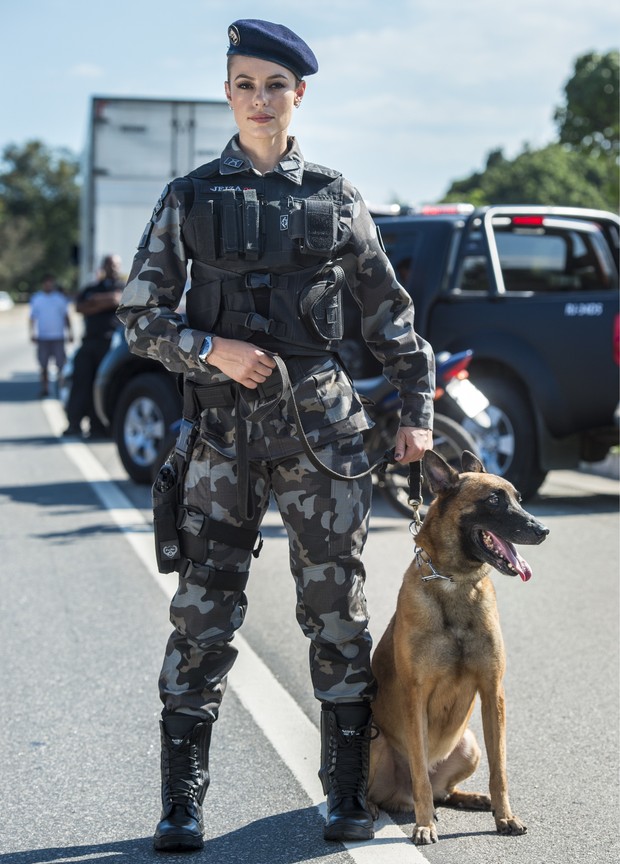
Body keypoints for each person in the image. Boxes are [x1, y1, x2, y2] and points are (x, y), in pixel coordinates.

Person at [117, 18, 435, 852]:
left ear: (300, 95)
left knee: (338, 611)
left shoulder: (334, 195)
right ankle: (182, 801)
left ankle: (345, 792)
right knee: (201, 613)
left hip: (323, 437)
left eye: (276, 85)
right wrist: (207, 348)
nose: (261, 100)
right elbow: (138, 321)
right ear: (228, 92)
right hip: (221, 439)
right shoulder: (188, 197)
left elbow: (390, 315)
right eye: (245, 84)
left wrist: (416, 410)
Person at [63, 254, 124, 437]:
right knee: (80, 383)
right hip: (89, 342)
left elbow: (118, 300)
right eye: (108, 265)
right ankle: (74, 423)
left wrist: (95, 301)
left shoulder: (124, 287)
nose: (111, 268)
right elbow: (80, 307)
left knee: (104, 386)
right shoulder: (91, 287)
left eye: (114, 265)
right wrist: (106, 301)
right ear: (103, 266)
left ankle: (98, 426)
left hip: (111, 345)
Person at [29, 274, 73, 397]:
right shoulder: (37, 298)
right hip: (43, 337)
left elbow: (66, 316)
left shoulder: (60, 298)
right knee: (43, 365)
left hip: (58, 336)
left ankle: (60, 388)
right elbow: (32, 317)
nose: (48, 285)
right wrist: (32, 332)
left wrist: (70, 332)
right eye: (46, 282)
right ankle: (45, 388)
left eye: (50, 282)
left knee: (61, 365)